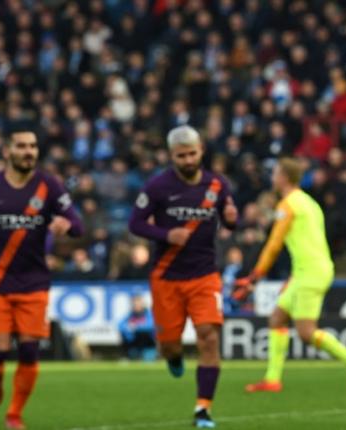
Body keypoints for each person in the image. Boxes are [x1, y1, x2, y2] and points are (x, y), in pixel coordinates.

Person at [0, 128, 84, 430]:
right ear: (7, 151)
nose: (29, 152)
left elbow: (78, 225)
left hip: (35, 282)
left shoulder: (49, 185)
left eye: (33, 146)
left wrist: (67, 225)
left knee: (29, 350)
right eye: (22, 146)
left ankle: (14, 414)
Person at [128, 125, 238, 429]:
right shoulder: (158, 187)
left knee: (209, 337)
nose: (188, 160)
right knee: (170, 346)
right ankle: (173, 358)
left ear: (201, 150)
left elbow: (230, 221)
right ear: (171, 155)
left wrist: (232, 220)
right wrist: (165, 233)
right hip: (166, 277)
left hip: (204, 275)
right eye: (181, 155)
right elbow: (135, 223)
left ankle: (203, 408)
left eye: (192, 153)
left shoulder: (217, 185)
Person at [233, 157, 346, 393]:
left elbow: (273, 245)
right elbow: (311, 242)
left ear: (284, 177)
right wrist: (294, 276)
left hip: (309, 273)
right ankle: (272, 379)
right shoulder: (310, 203)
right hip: (308, 271)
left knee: (306, 332)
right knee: (277, 318)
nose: (273, 177)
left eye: (276, 173)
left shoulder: (287, 206)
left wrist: (254, 276)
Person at [118, 295, 157, 361]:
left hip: (148, 344)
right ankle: (127, 356)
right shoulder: (130, 315)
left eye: (139, 304)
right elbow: (120, 326)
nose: (137, 306)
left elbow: (152, 326)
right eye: (135, 305)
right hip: (134, 344)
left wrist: (135, 327)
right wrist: (129, 328)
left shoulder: (149, 314)